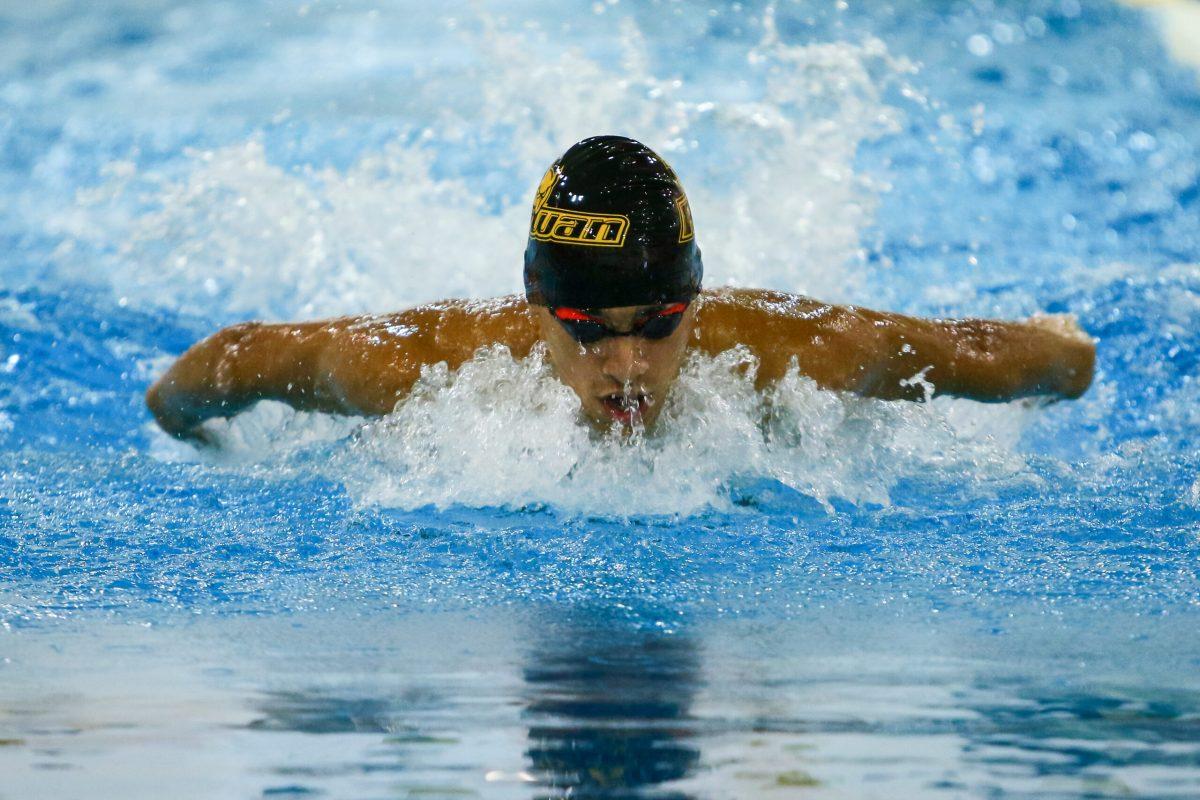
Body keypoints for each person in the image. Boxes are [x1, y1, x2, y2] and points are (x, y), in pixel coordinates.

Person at [146, 135, 1095, 443]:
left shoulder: (787, 352)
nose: (629, 365)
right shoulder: (425, 370)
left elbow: (992, 357)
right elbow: (234, 358)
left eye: (660, 325)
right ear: (534, 305)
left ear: (698, 300)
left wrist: (1064, 354)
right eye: (589, 329)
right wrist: (182, 426)